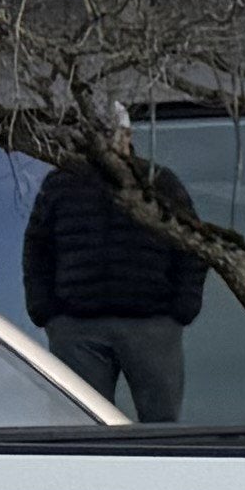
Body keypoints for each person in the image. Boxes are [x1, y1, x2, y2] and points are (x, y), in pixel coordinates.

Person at [22, 148, 209, 421]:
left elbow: (192, 244)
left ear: (127, 135)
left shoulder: (158, 181)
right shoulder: (61, 183)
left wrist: (182, 308)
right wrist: (45, 310)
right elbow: (37, 249)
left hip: (150, 323)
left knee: (162, 428)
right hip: (78, 325)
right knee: (81, 423)